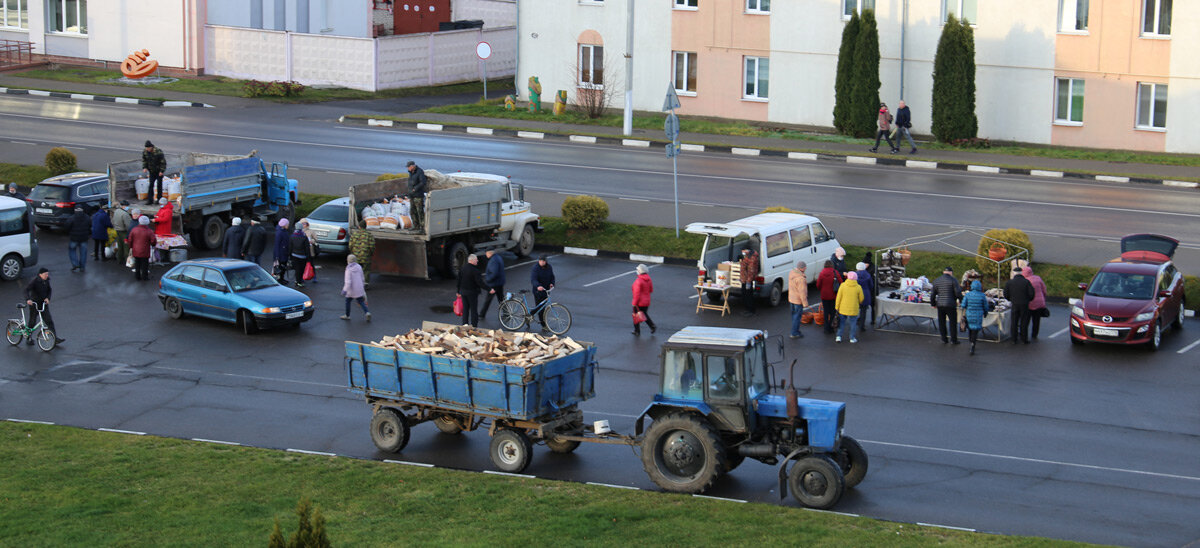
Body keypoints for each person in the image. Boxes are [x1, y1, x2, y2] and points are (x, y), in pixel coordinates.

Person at [23, 268, 65, 345]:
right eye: (45, 274)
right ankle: (28, 337)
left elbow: (49, 290)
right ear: (40, 274)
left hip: (43, 304)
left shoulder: (46, 281)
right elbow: (26, 290)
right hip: (34, 304)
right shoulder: (35, 281)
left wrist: (48, 298)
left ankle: (55, 338)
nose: (47, 275)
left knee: (49, 321)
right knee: (32, 322)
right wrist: (28, 299)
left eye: (47, 274)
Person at [930, 266, 963, 344]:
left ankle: (944, 338)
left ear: (943, 272)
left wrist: (933, 304)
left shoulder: (937, 280)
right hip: (951, 304)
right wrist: (961, 301)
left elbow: (932, 294)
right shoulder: (953, 280)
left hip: (940, 304)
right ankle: (953, 340)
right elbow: (958, 293)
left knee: (941, 322)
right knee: (952, 322)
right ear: (951, 273)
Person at [960, 280, 994, 356]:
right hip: (978, 315)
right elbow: (985, 307)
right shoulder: (982, 295)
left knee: (970, 328)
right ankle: (973, 343)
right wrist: (985, 314)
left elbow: (963, 305)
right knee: (975, 330)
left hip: (969, 314)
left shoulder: (968, 295)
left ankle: (970, 340)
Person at [1005, 266, 1036, 344]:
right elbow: (1032, 294)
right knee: (1024, 321)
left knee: (1014, 321)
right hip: (1024, 304)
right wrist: (1028, 300)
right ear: (1022, 273)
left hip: (1014, 303)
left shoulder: (1009, 283)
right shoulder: (1026, 282)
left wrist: (1010, 299)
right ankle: (1024, 338)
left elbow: (1006, 294)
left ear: (1014, 273)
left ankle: (1013, 339)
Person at [457, 254, 488, 327]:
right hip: (472, 293)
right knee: (473, 310)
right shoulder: (475, 270)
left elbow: (459, 281)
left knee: (465, 309)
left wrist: (458, 291)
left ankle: (465, 324)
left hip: (463, 292)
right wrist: (489, 289)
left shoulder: (462, 268)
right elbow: (480, 282)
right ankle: (474, 326)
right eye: (476, 259)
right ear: (472, 260)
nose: (477, 260)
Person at [834, 271, 864, 343]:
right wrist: (859, 302)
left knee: (841, 323)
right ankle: (852, 338)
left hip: (843, 308)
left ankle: (838, 336)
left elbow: (839, 297)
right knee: (853, 323)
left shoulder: (843, 285)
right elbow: (861, 298)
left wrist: (837, 307)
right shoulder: (858, 287)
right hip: (853, 308)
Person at [340, 254, 370, 322]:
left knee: (347, 302)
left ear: (348, 260)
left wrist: (344, 290)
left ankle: (347, 315)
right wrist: (362, 286)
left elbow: (348, 282)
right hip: (359, 288)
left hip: (351, 290)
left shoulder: (348, 269)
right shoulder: (359, 267)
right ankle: (367, 312)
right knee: (361, 301)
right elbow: (362, 277)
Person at [126, 216, 156, 281]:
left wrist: (130, 246)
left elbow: (130, 239)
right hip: (145, 250)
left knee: (137, 263)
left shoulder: (134, 229)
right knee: (145, 264)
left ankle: (137, 276)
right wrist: (153, 244)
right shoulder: (149, 231)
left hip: (136, 249)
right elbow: (153, 241)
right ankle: (144, 277)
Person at [816, 260, 842, 334]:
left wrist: (822, 289)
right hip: (833, 295)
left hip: (824, 296)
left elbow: (818, 285)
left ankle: (826, 328)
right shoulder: (835, 272)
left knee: (826, 312)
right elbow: (840, 282)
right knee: (833, 312)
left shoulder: (821, 273)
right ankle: (831, 327)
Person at [530, 254, 555, 329]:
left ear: (545, 261)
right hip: (538, 291)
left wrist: (552, 283)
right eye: (540, 261)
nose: (541, 262)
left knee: (540, 307)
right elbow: (533, 279)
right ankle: (543, 325)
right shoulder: (535, 268)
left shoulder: (549, 267)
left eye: (543, 261)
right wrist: (538, 286)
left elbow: (552, 277)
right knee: (541, 308)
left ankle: (530, 315)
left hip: (546, 290)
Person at [479, 249, 505, 320]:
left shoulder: (493, 260)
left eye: (486, 253)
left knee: (488, 299)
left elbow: (494, 273)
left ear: (489, 253)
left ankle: (482, 314)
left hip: (494, 284)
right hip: (499, 282)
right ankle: (506, 313)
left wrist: (488, 279)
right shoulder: (498, 257)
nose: (486, 254)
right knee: (501, 299)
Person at [631, 264, 657, 336]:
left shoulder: (638, 281)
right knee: (644, 314)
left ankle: (637, 331)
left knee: (636, 315)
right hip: (647, 301)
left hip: (639, 302)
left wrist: (634, 303)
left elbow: (636, 294)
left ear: (639, 271)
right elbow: (651, 290)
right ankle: (652, 326)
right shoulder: (649, 279)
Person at [1024, 266, 1049, 340]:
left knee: (1026, 319)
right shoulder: (1038, 278)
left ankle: (1024, 334)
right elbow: (1044, 289)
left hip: (1029, 303)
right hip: (1039, 303)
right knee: (1036, 320)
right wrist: (1043, 298)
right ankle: (1034, 334)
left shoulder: (1025, 280)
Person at [64, 206, 90, 272]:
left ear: (75, 210)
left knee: (72, 250)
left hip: (74, 238)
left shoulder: (72, 218)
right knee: (83, 253)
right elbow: (90, 225)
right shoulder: (87, 217)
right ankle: (82, 267)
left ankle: (75, 264)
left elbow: (67, 226)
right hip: (84, 238)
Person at [787, 261, 809, 339]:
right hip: (797, 301)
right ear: (803, 268)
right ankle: (794, 332)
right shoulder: (801, 279)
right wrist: (805, 303)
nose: (806, 268)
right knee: (797, 317)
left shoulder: (792, 273)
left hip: (791, 298)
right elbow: (802, 292)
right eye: (805, 267)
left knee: (794, 316)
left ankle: (795, 330)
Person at [142, 140, 167, 204]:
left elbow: (163, 162)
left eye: (148, 148)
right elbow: (144, 160)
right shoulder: (145, 152)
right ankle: (150, 200)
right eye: (146, 148)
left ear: (151, 147)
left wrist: (162, 171)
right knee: (151, 185)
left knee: (159, 185)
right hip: (151, 171)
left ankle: (159, 199)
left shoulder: (158, 152)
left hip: (158, 171)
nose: (147, 149)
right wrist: (144, 167)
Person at [289, 220, 312, 288]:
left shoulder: (292, 236)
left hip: (294, 255)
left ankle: (297, 280)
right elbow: (307, 248)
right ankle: (299, 281)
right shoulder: (304, 236)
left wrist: (290, 255)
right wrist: (308, 257)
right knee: (301, 269)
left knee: (297, 269)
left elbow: (290, 247)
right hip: (303, 256)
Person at [406, 160, 428, 229]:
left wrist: (415, 188)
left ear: (412, 166)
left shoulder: (419, 172)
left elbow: (423, 182)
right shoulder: (411, 173)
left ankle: (422, 228)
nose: (407, 168)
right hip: (412, 195)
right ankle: (416, 226)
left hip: (418, 195)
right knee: (412, 211)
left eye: (408, 167)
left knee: (419, 212)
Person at [111, 200, 134, 266]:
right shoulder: (125, 214)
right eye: (127, 206)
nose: (128, 208)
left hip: (117, 231)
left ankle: (119, 260)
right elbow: (128, 225)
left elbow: (113, 220)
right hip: (124, 232)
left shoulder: (116, 211)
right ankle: (128, 261)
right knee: (126, 247)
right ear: (124, 206)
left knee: (120, 246)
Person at [739, 248, 760, 316]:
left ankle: (751, 310)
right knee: (744, 295)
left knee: (748, 295)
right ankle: (747, 309)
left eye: (743, 251)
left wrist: (748, 281)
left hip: (748, 280)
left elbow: (751, 271)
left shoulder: (752, 258)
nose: (742, 252)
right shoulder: (747, 256)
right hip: (744, 279)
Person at [855, 262, 874, 332]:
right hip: (865, 294)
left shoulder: (855, 275)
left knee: (854, 310)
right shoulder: (868, 275)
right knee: (863, 311)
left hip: (856, 294)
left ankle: (853, 324)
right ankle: (861, 326)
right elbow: (871, 285)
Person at [273, 218, 291, 284]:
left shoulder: (283, 231)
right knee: (281, 266)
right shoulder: (280, 232)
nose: (288, 225)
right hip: (281, 253)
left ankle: (282, 278)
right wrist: (277, 256)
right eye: (287, 224)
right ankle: (280, 279)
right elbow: (277, 245)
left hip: (284, 252)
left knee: (283, 266)